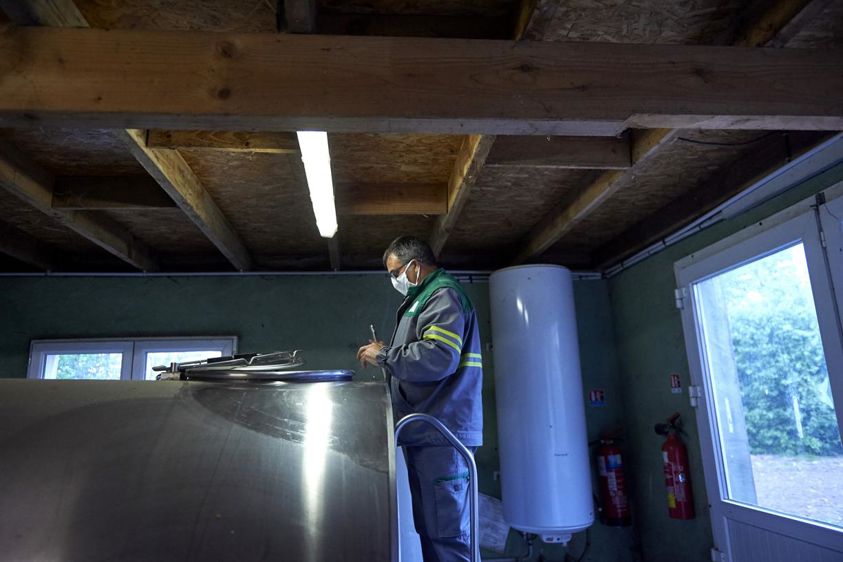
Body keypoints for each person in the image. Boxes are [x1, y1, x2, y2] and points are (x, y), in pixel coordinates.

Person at [357, 236, 483, 562]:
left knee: (447, 535)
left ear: (414, 266)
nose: (393, 280)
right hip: (429, 432)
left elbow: (440, 356)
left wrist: (384, 354)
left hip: (443, 432)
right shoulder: (424, 298)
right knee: (432, 531)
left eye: (395, 272)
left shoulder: (442, 295)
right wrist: (390, 353)